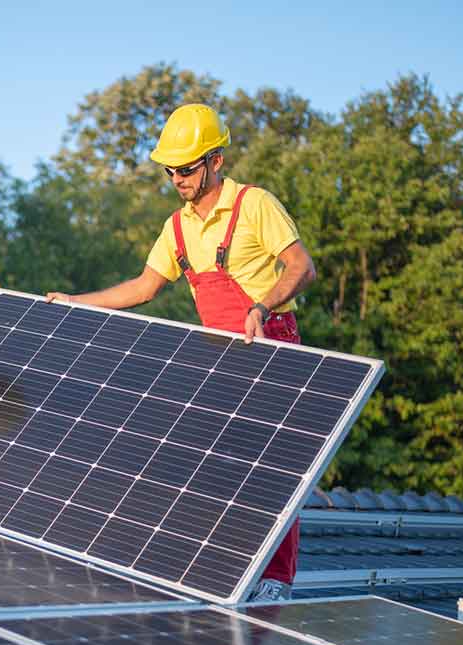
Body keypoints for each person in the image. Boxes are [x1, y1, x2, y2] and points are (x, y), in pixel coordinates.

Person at [45, 103, 317, 602]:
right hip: (219, 356)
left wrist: (262, 303)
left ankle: (275, 582)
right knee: (213, 467)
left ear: (215, 160)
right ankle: (224, 570)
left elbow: (302, 266)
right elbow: (145, 286)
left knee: (272, 474)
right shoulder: (177, 228)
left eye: (187, 168)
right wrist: (76, 302)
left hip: (272, 347)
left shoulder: (254, 205)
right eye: (170, 169)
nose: (177, 178)